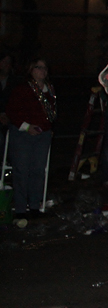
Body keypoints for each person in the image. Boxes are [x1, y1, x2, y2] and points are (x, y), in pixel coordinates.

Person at [6, 58, 56, 219]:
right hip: (23, 133)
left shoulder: (49, 91)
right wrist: (27, 127)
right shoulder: (22, 89)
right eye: (38, 67)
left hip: (43, 134)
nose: (43, 71)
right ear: (31, 70)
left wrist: (47, 128)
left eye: (45, 68)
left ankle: (35, 206)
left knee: (38, 171)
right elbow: (13, 111)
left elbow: (51, 113)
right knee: (21, 170)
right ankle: (20, 208)